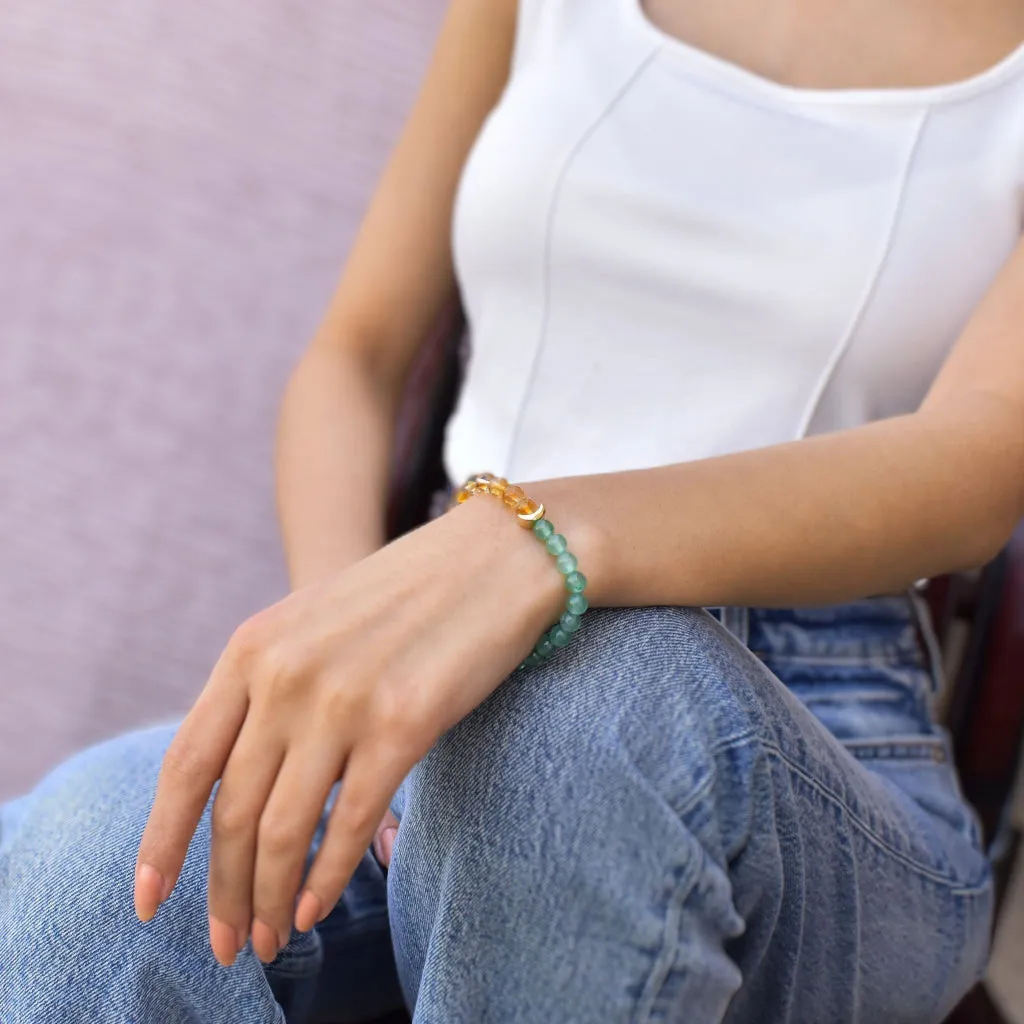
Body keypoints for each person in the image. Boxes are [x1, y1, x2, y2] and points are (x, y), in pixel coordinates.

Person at [3, 0, 1023, 1019]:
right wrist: (355, 639)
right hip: (433, 652)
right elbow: (351, 358)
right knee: (87, 864)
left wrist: (535, 539)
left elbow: (976, 465)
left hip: (813, 718)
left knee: (582, 734)